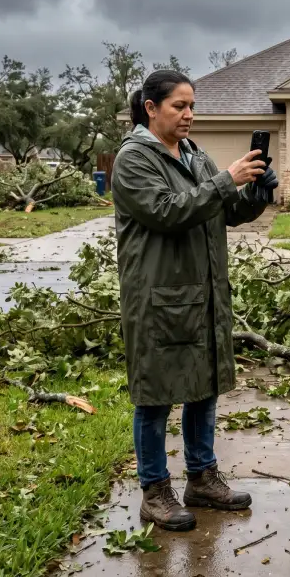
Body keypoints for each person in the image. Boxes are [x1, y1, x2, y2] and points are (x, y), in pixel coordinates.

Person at [111, 69, 277, 532]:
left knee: (203, 386)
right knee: (155, 396)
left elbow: (226, 211)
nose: (188, 115)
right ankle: (154, 491)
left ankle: (202, 478)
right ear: (151, 108)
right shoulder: (133, 159)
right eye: (179, 106)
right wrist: (227, 179)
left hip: (201, 295)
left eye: (191, 106)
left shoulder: (193, 155)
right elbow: (166, 212)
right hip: (157, 297)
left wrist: (257, 190)